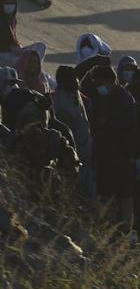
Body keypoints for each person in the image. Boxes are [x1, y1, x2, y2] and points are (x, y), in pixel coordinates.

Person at [88, 64, 140, 227]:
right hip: (106, 157)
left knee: (123, 198)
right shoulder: (103, 97)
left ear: (110, 81)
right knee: (108, 196)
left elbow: (125, 127)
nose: (98, 86)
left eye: (100, 82)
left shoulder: (123, 99)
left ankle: (123, 233)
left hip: (120, 158)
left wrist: (106, 123)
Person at [53, 64, 94, 197]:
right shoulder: (62, 101)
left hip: (85, 150)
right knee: (76, 191)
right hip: (74, 154)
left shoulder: (74, 94)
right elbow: (67, 130)